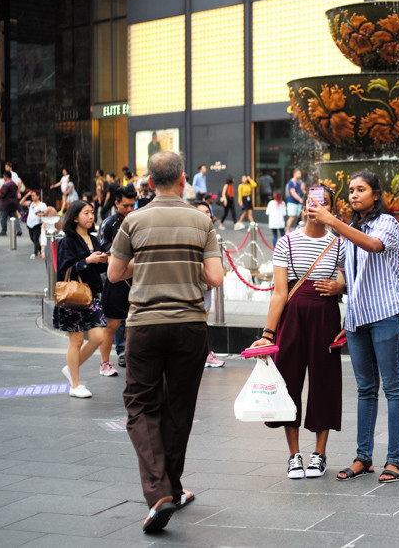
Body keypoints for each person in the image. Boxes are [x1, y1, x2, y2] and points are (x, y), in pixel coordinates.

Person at [107, 151, 223, 534]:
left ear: (150, 181)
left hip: (144, 324)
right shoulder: (201, 220)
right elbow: (216, 278)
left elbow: (114, 273)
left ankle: (159, 493)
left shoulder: (133, 220)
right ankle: (171, 487)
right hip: (190, 324)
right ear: (183, 178)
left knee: (141, 406)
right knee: (179, 409)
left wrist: (147, 263)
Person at [308, 171, 399, 483]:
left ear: (375, 194)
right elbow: (350, 277)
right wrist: (339, 293)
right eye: (350, 190)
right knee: (365, 390)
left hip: (387, 315)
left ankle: (394, 461)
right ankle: (363, 458)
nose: (354, 195)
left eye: (360, 189)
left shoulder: (387, 223)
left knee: (393, 388)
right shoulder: (349, 227)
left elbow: (373, 247)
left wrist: (332, 221)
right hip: (357, 320)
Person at [247, 185, 345, 479]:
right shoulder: (286, 243)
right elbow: (279, 293)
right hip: (293, 316)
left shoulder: (339, 244)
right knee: (288, 381)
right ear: (303, 207)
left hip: (326, 315)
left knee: (324, 382)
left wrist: (341, 286)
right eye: (312, 202)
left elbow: (345, 279)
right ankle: (294, 455)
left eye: (323, 203)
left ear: (331, 209)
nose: (316, 207)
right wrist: (268, 333)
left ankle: (320, 453)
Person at [53, 201, 108, 399]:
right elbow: (63, 270)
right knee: (75, 340)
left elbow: (100, 269)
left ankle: (71, 368)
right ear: (75, 217)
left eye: (92, 213)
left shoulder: (94, 239)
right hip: (73, 296)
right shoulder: (67, 241)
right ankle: (75, 384)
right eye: (86, 213)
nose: (91, 216)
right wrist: (87, 261)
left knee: (98, 337)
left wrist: (103, 260)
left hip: (91, 294)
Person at [98, 184, 137, 375]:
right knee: (112, 324)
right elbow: (105, 251)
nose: (129, 210)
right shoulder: (109, 224)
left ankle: (130, 355)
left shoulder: (140, 220)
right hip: (115, 280)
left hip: (138, 280)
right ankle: (105, 362)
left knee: (134, 322)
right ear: (116, 204)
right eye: (125, 206)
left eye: (132, 205)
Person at [192, 201, 225, 369]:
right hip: (193, 285)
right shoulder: (191, 235)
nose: (206, 215)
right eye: (201, 212)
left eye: (207, 212)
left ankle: (203, 352)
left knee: (203, 318)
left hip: (206, 285)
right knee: (197, 320)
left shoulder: (210, 235)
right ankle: (202, 353)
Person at [21, 191, 47, 259]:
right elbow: (21, 202)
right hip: (30, 223)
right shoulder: (30, 203)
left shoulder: (42, 205)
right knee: (32, 238)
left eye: (34, 195)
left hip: (37, 223)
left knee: (36, 238)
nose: (32, 197)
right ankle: (39, 249)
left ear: (38, 196)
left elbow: (45, 213)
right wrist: (27, 195)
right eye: (31, 196)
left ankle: (35, 253)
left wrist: (44, 222)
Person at [0, 171, 21, 236]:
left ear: (6, 176)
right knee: (15, 217)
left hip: (5, 204)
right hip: (13, 203)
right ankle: (19, 230)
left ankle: (4, 231)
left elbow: (3, 194)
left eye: (4, 176)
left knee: (3, 218)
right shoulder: (14, 184)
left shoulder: (6, 184)